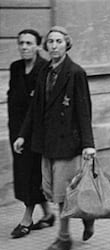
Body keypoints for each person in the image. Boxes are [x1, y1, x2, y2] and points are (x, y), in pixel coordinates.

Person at [14, 26, 96, 250]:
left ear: (66, 44)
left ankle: (63, 237)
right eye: (50, 42)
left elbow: (83, 110)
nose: (54, 45)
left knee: (62, 194)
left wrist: (88, 144)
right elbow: (34, 108)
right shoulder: (45, 72)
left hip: (67, 143)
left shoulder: (76, 73)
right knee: (51, 190)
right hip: (46, 142)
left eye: (59, 41)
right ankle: (87, 216)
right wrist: (22, 134)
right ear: (46, 46)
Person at [7, 29, 55, 239]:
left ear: (37, 46)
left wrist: (26, 133)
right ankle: (47, 214)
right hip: (16, 130)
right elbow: (12, 98)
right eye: (21, 43)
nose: (24, 47)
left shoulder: (44, 68)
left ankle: (27, 219)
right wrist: (16, 131)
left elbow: (40, 107)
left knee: (31, 173)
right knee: (24, 172)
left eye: (29, 43)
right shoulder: (15, 68)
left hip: (36, 132)